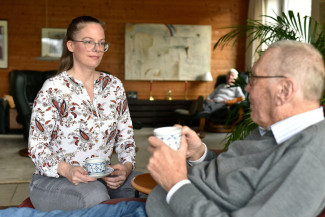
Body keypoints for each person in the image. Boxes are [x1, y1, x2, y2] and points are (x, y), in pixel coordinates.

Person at [146, 40, 325, 217]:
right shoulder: (273, 129)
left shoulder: (311, 157)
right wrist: (199, 154)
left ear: (284, 91)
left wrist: (175, 185)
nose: (247, 87)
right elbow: (234, 179)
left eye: (254, 79)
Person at [28, 16, 143, 211]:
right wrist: (68, 170)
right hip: (53, 180)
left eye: (101, 43)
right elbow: (36, 147)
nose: (97, 48)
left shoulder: (114, 86)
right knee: (95, 195)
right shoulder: (54, 88)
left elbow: (126, 139)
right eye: (88, 42)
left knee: (150, 185)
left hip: (101, 177)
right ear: (71, 45)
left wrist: (126, 168)